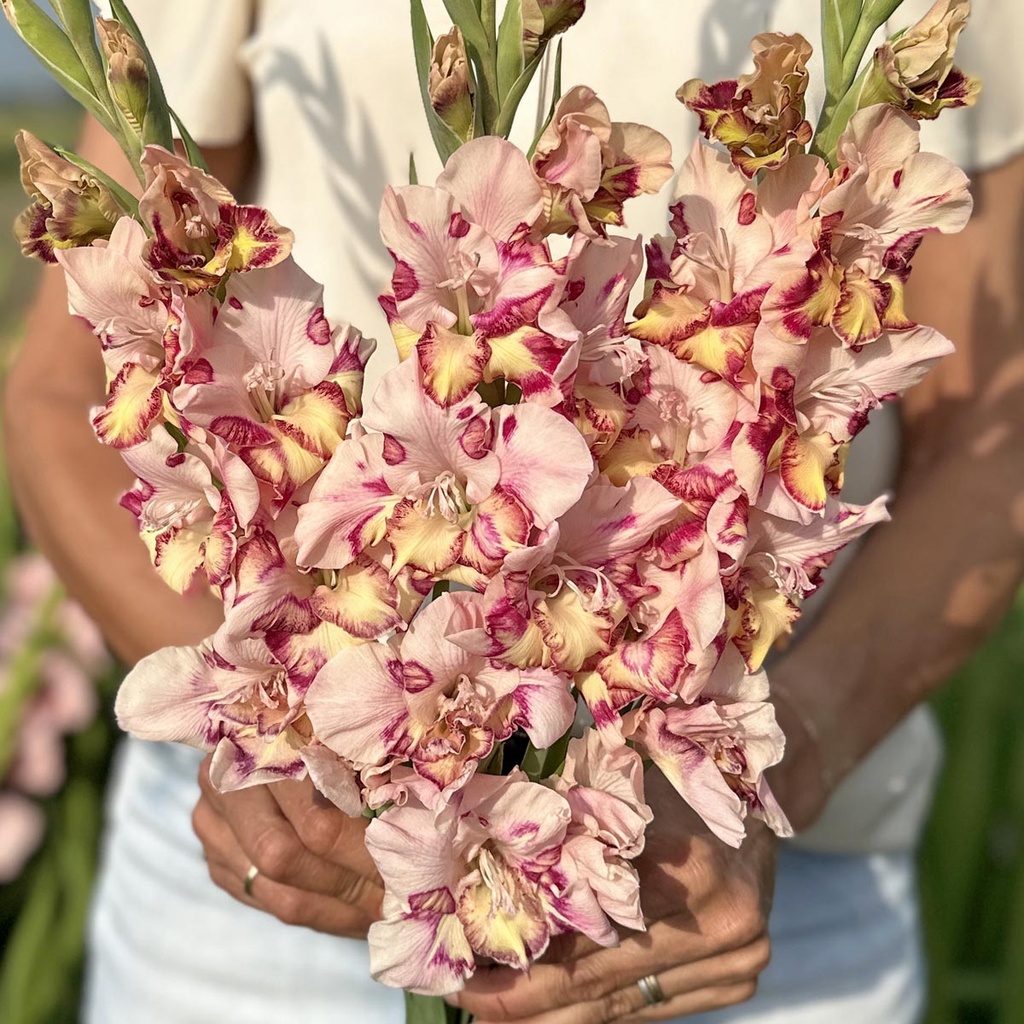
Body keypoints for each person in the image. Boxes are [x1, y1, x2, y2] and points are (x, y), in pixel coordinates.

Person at [4, 1, 1023, 1021]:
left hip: (735, 887)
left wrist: (795, 744)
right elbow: (62, 392)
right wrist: (282, 714)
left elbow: (994, 431)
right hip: (281, 882)